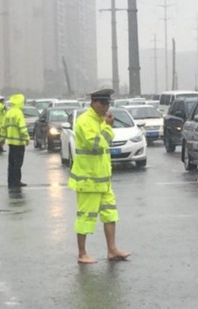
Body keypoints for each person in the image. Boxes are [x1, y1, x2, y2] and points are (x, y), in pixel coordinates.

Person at [68, 89, 130, 264]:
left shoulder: (99, 120)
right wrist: (108, 128)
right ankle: (82, 253)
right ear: (93, 103)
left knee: (110, 214)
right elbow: (96, 144)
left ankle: (112, 250)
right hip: (88, 180)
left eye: (108, 104)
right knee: (85, 217)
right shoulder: (84, 121)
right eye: (102, 104)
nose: (106, 108)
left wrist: (105, 126)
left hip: (103, 180)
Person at [0, 93, 30, 191]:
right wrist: (26, 138)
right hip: (19, 143)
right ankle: (17, 182)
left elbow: (3, 127)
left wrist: (2, 139)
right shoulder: (18, 113)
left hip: (11, 142)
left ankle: (11, 181)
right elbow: (22, 127)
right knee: (18, 163)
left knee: (11, 163)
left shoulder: (8, 113)